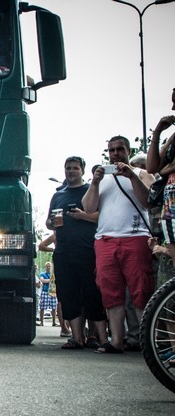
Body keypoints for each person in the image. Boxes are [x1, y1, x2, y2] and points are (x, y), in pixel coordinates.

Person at [82, 136, 155, 353]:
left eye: (119, 149)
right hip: (105, 240)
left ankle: (146, 341)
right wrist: (94, 182)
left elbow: (148, 201)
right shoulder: (102, 178)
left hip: (135, 237)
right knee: (110, 292)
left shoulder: (142, 174)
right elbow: (88, 207)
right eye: (111, 150)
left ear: (128, 151)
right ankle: (116, 341)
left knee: (140, 290)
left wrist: (132, 175)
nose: (115, 154)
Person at [46, 156, 108, 350]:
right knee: (68, 295)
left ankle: (102, 339)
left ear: (82, 170)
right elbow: (48, 222)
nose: (71, 171)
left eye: (75, 168)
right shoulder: (58, 194)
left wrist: (83, 216)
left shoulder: (91, 190)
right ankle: (77, 338)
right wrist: (51, 222)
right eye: (68, 168)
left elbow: (102, 215)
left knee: (93, 294)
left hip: (88, 250)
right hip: (63, 251)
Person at [147, 87, 175, 262]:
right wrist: (157, 132)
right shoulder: (173, 137)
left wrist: (165, 169)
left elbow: (161, 169)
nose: (172, 108)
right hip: (170, 201)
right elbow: (152, 166)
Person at [37, 261, 57, 327]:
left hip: (52, 291)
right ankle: (41, 322)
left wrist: (48, 280)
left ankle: (54, 322)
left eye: (49, 266)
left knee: (54, 307)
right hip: (45, 291)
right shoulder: (42, 273)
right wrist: (51, 280)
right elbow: (42, 280)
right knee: (42, 307)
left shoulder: (53, 274)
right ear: (45, 267)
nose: (48, 267)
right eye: (47, 266)